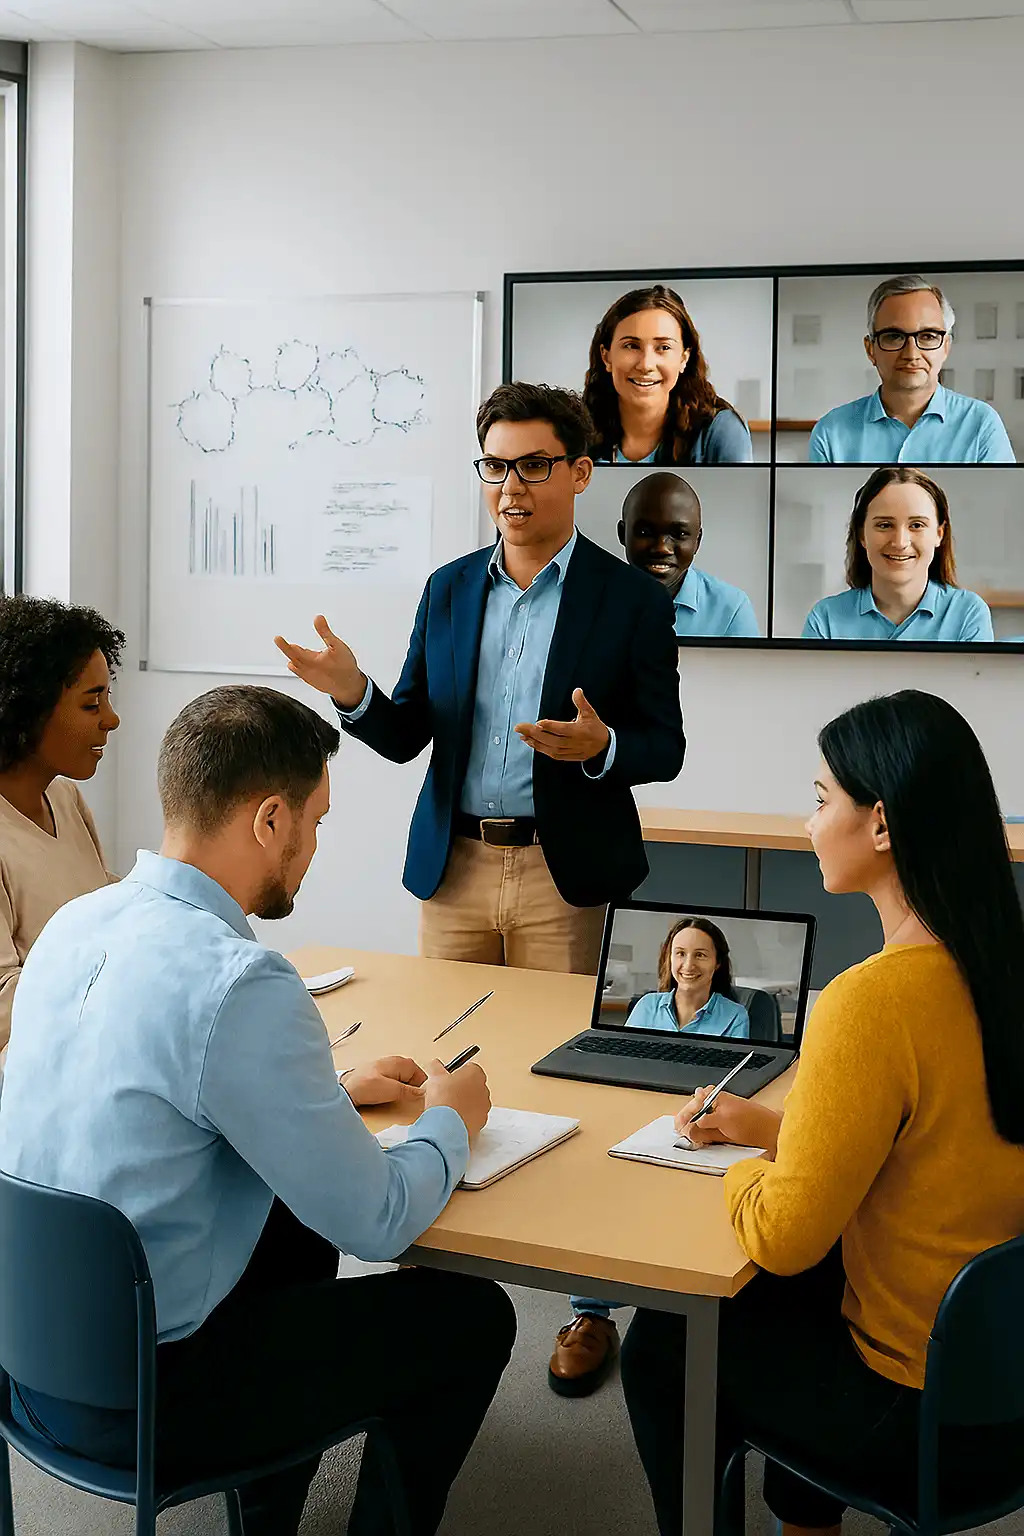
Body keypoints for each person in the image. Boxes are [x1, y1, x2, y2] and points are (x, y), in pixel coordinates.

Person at [0, 685, 516, 1536]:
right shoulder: (238, 979)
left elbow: (138, 1087)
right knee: (469, 1317)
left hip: (28, 1362)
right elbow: (379, 1220)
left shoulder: (73, 927)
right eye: (315, 820)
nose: (313, 846)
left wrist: (325, 1096)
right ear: (271, 819)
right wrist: (450, 1116)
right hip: (149, 1401)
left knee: (292, 1226)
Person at [621, 689, 1024, 1536]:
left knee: (668, 1342)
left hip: (914, 1410)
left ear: (880, 824)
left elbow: (783, 1235)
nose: (806, 824)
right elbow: (935, 1143)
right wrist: (774, 1128)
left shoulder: (870, 1001)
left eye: (819, 799)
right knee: (796, 1306)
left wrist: (740, 1171)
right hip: (1005, 1386)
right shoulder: (997, 968)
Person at [276, 382, 686, 977]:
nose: (510, 488)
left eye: (534, 466)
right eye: (495, 466)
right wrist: (353, 691)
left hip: (564, 872)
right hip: (454, 871)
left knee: (549, 1052)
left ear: (580, 473)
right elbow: (406, 735)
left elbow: (665, 748)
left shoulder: (633, 601)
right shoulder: (448, 589)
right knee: (447, 1045)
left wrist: (604, 747)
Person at [0, 595, 123, 1064]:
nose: (111, 720)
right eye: (92, 704)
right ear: (29, 710)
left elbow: (103, 902)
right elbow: (4, 1009)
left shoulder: (64, 798)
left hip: (92, 1045)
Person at [808, 274, 1015, 464]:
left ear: (946, 348)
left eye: (927, 336)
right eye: (894, 336)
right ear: (870, 349)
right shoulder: (830, 433)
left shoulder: (981, 424)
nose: (911, 354)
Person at [802, 466, 993, 643]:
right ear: (862, 535)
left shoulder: (969, 613)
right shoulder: (824, 618)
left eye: (916, 525)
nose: (900, 543)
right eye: (884, 525)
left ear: (939, 534)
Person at [583, 285, 753, 466]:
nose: (646, 365)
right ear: (606, 356)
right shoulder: (576, 432)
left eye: (663, 347)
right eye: (631, 346)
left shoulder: (722, 431)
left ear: (683, 359)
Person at [617, 472, 760, 638]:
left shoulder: (731, 610)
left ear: (697, 542)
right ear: (622, 534)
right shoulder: (589, 600)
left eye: (679, 534)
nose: (662, 548)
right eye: (645, 532)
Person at [625, 916, 751, 1037]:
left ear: (717, 962)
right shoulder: (647, 1005)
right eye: (680, 953)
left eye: (700, 955)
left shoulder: (735, 1016)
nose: (688, 965)